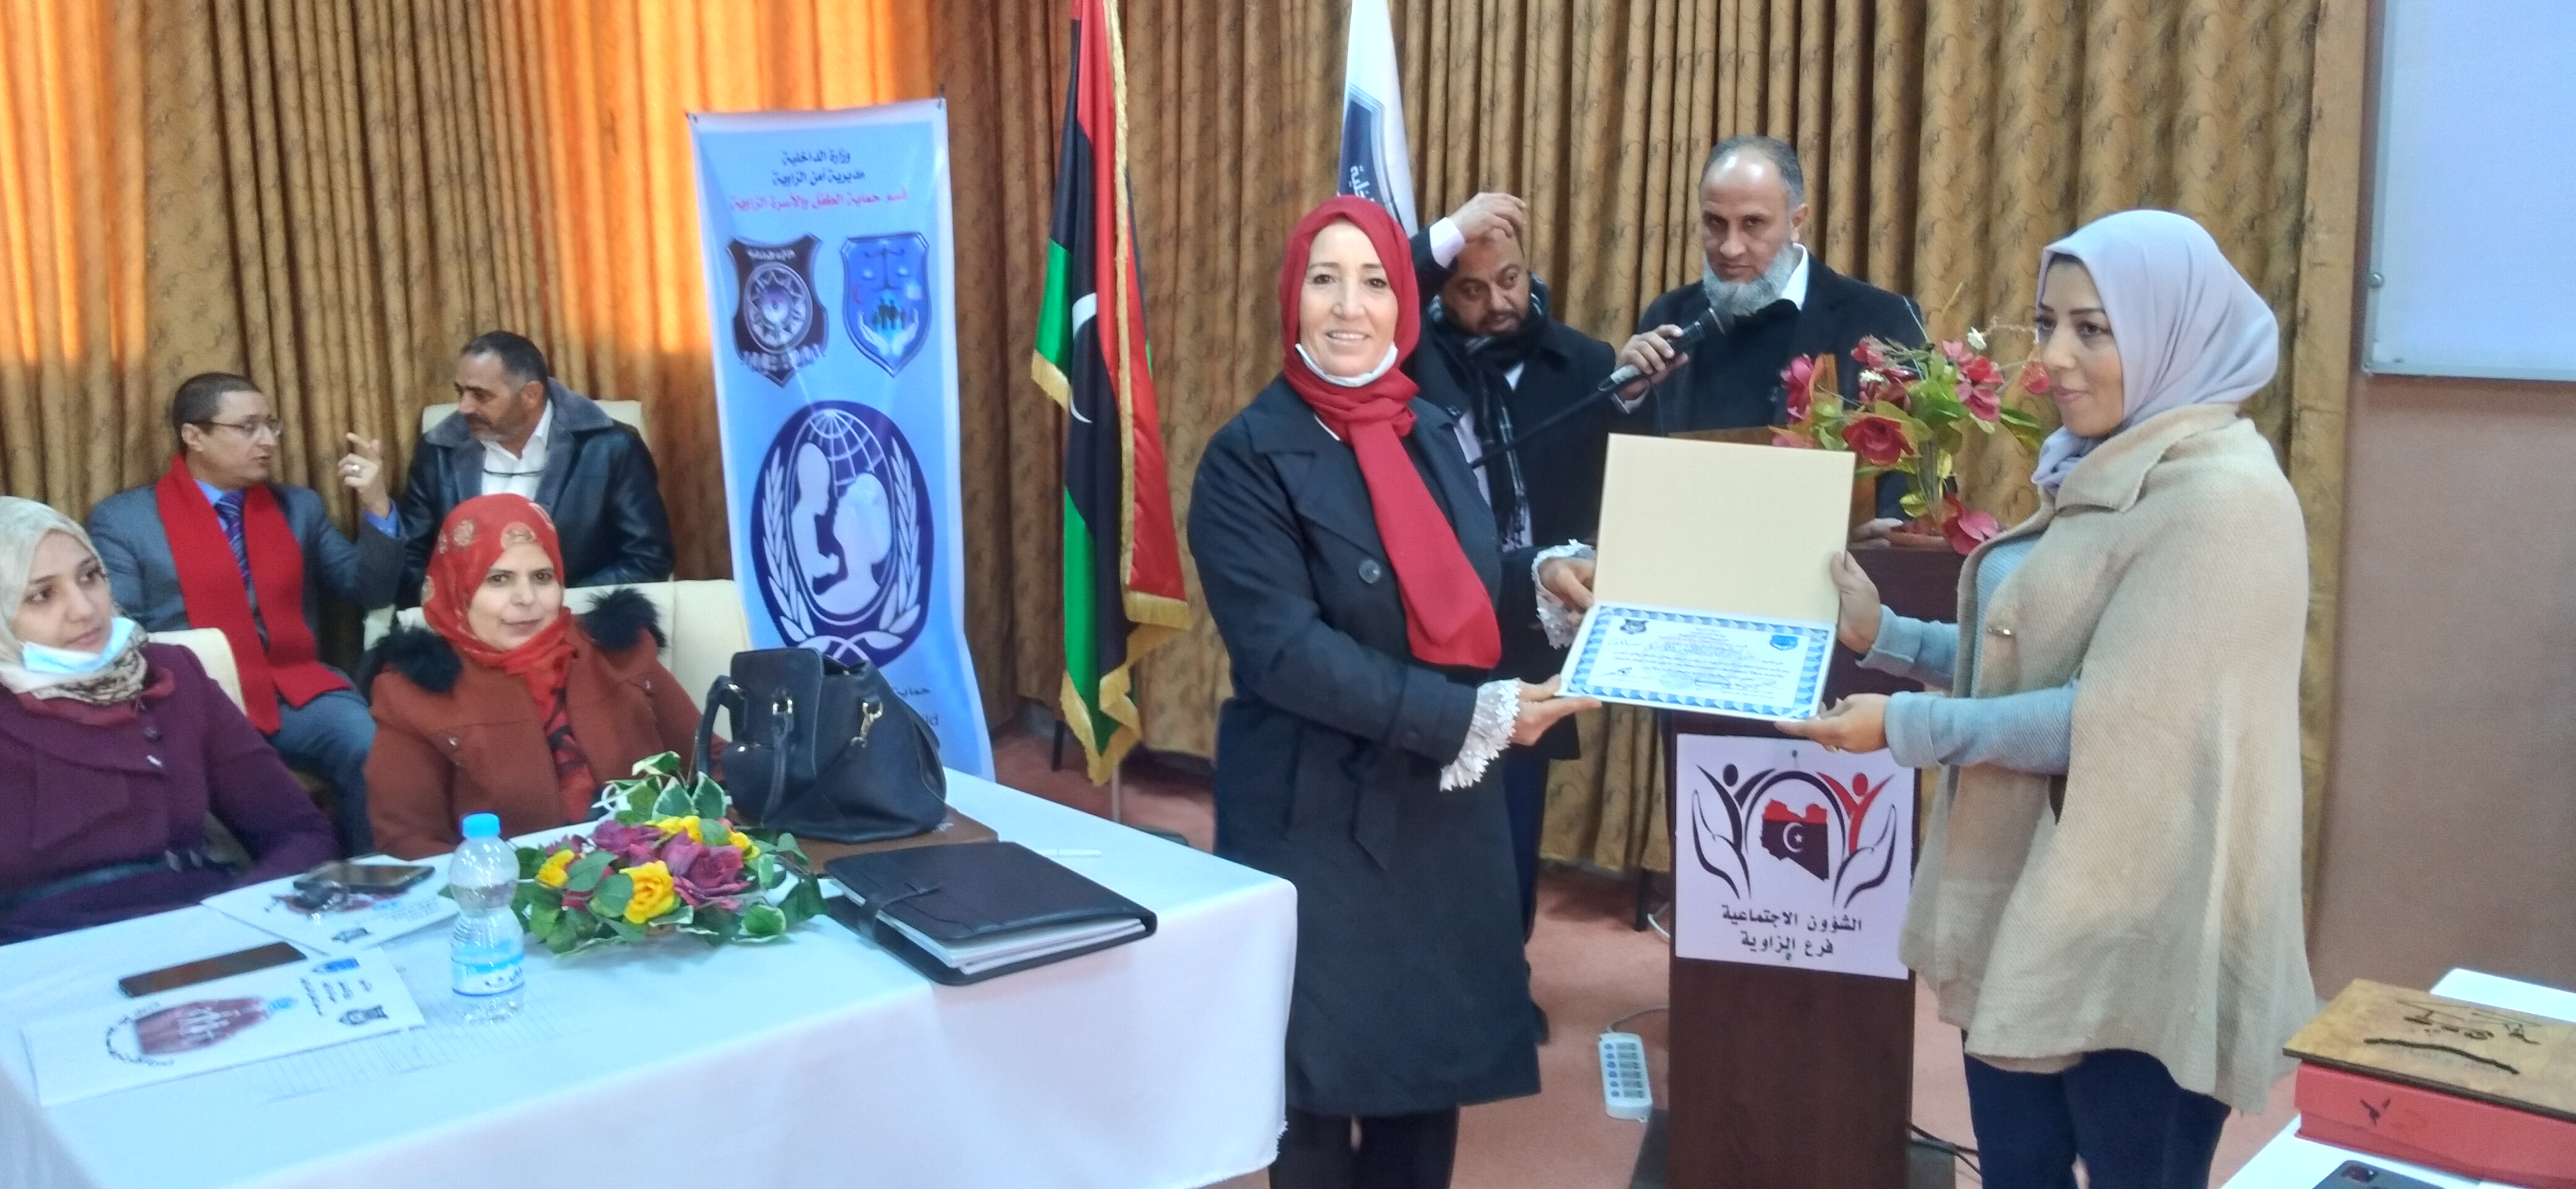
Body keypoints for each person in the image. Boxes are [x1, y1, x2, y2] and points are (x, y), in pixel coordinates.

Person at [1779, 210, 2312, 1188]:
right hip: (2039, 904)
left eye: (2092, 330)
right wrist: (1883, 637)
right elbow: (2036, 661)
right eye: (2047, 323)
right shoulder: (2108, 465)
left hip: (2139, 928)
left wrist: (1901, 727)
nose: (2054, 358)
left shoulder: (2222, 504)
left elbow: (2106, 721)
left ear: (2173, 333)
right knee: (2019, 1169)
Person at [1188, 195, 1598, 1189]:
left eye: (1374, 281)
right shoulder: (1245, 457)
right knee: (1314, 1096)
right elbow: (1286, 652)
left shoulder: (1430, 425)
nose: (1349, 306)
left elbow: (1455, 585)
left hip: (1438, 816)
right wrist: (1470, 716)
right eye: (1325, 280)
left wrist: (1540, 580)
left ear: (1404, 306)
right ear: (1292, 298)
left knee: (1425, 1087)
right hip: (1315, 817)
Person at [1406, 191, 1620, 1009]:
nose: (1499, 303)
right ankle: (1433, 978)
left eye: (1511, 280)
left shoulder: (1586, 363)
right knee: (1437, 818)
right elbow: (1378, 288)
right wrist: (1443, 237)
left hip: (1536, 625)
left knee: (1515, 821)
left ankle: (1505, 980)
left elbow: (1627, 479)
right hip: (1437, 623)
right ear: (1439, 291)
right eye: (1471, 288)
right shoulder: (1413, 361)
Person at [87, 372, 399, 856]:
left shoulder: (298, 507)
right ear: (194, 435)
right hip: (192, 700)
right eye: (248, 427)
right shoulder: (126, 520)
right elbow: (121, 628)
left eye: (271, 425)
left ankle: (376, 875)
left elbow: (369, 588)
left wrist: (377, 504)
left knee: (371, 747)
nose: (268, 441)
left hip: (294, 689)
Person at [0, 499, 336, 943]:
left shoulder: (170, 673)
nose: (84, 609)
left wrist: (237, 917)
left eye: (90, 576)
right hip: (42, 956)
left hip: (204, 930)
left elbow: (297, 830)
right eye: (41, 595)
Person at [366, 495, 699, 860]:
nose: (526, 599)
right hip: (512, 889)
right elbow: (409, 842)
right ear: (459, 587)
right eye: (499, 580)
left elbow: (708, 762)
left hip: (658, 877)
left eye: (542, 577)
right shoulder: (414, 692)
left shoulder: (616, 648)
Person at [1614, 135, 1928, 516]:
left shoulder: (1882, 320)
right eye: (1715, 223)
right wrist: (1627, 397)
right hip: (1692, 540)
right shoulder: (1671, 315)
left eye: (1753, 224)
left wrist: (1873, 537)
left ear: (1796, 222)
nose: (1730, 248)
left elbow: (1918, 479)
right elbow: (1635, 483)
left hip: (1831, 550)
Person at [396, 331, 674, 606]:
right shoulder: (439, 451)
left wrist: (554, 605)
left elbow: (648, 559)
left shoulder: (610, 448)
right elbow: (410, 558)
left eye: (481, 395)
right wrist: (463, 609)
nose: (464, 408)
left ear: (531, 395)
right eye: (461, 392)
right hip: (467, 624)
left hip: (578, 621)